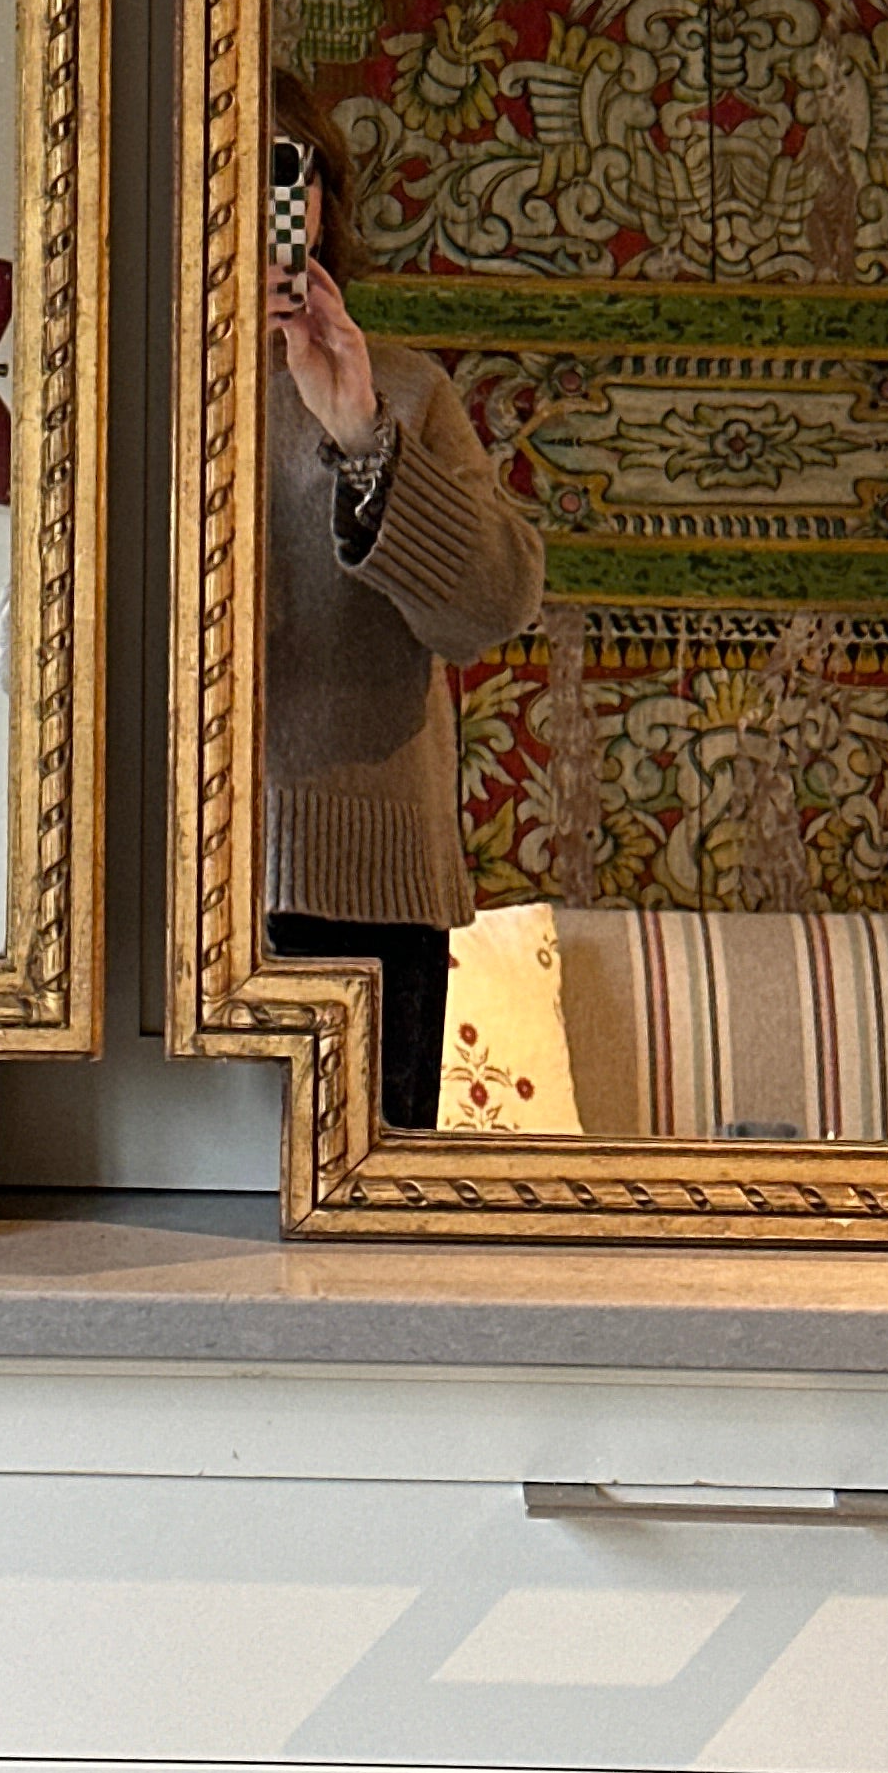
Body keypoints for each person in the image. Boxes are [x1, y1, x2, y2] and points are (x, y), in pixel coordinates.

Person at [263, 72, 546, 1127]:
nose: (253, 204)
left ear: (323, 202)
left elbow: (489, 609)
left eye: (283, 171)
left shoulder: (405, 391)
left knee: (352, 1271)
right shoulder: (118, 390)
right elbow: (33, 664)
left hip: (368, 896)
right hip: (150, 901)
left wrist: (360, 434)